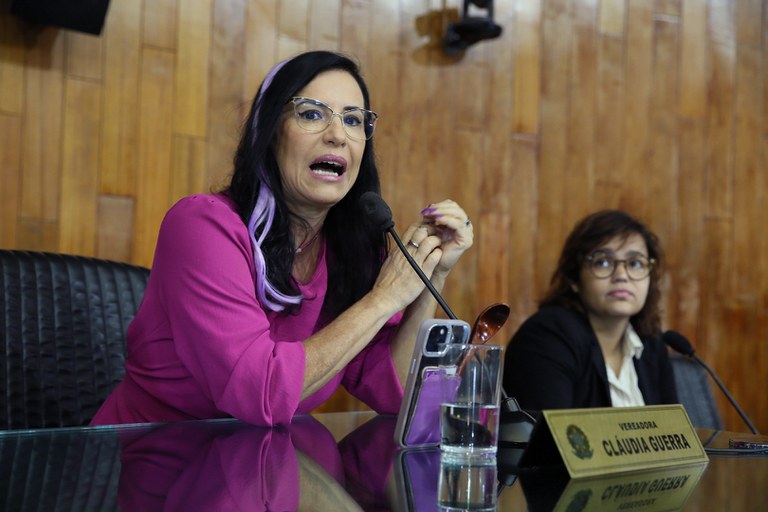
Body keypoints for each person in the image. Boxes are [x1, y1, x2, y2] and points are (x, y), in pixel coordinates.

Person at [91, 51, 473, 426]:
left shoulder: (349, 249)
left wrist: (431, 275)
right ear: (271, 131)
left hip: (259, 461)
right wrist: (383, 299)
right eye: (312, 114)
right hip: (148, 457)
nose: (337, 135)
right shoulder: (202, 226)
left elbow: (398, 393)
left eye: (353, 120)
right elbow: (259, 392)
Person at [502, 210, 678, 411]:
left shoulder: (651, 345)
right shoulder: (548, 336)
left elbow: (674, 429)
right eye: (603, 262)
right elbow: (548, 431)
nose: (622, 275)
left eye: (635, 263)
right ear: (574, 278)